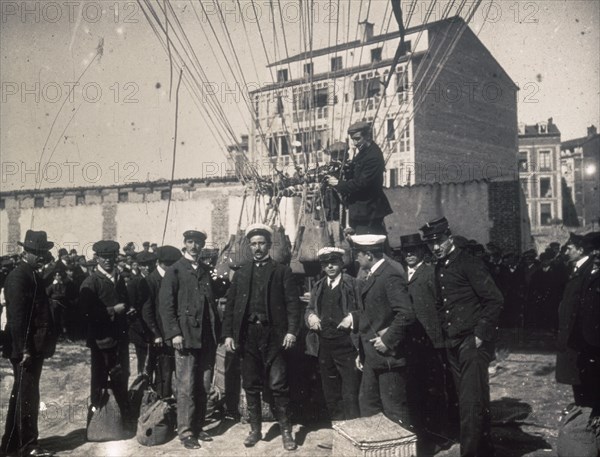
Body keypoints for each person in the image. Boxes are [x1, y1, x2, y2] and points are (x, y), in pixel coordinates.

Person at [419, 217, 503, 457]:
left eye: (439, 241)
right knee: (471, 401)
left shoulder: (469, 263)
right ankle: (484, 450)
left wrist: (480, 333)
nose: (435, 247)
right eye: (430, 244)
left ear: (449, 237)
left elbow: (495, 299)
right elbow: (441, 303)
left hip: (472, 342)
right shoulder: (439, 266)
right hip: (453, 342)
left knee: (470, 403)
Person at [223, 223, 301, 451]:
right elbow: (230, 307)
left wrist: (291, 331)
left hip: (274, 336)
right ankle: (255, 430)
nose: (257, 248)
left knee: (278, 384)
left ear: (269, 245)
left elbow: (293, 305)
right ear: (249, 246)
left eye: (261, 243)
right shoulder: (241, 272)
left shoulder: (281, 271)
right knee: (251, 384)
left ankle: (286, 432)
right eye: (254, 244)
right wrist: (228, 334)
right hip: (248, 336)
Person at [342, 234, 416, 428]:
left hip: (388, 355)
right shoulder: (373, 275)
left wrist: (388, 340)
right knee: (368, 404)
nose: (356, 258)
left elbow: (406, 313)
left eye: (358, 254)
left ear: (368, 255)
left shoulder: (389, 275)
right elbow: (370, 313)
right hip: (371, 355)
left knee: (394, 409)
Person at [159, 230, 221, 450]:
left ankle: (198, 425)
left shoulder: (205, 270)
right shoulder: (175, 271)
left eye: (198, 243)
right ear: (184, 244)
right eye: (190, 242)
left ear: (203, 245)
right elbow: (166, 305)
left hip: (206, 336)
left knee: (203, 384)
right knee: (186, 385)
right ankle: (185, 432)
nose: (194, 246)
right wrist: (174, 333)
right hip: (185, 337)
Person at [1, 230, 58, 457]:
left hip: (32, 346)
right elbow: (17, 318)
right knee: (27, 397)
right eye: (39, 253)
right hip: (25, 348)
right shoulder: (18, 277)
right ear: (27, 252)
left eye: (44, 253)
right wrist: (23, 348)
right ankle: (28, 447)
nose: (43, 257)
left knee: (22, 394)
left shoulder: (30, 274)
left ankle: (11, 444)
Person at [400, 233, 451, 453]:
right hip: (408, 343)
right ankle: (419, 435)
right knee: (413, 391)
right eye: (406, 251)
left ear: (422, 252)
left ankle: (437, 436)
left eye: (414, 251)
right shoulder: (400, 275)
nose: (410, 255)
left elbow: (441, 306)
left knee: (433, 391)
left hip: (431, 342)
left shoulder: (431, 272)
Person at [305, 247, 361, 421]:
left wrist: (351, 318)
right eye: (326, 264)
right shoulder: (319, 285)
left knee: (350, 391)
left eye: (333, 263)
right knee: (331, 391)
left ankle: (352, 434)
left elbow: (364, 309)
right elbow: (309, 309)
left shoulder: (353, 284)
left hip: (346, 345)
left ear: (341, 263)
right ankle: (338, 432)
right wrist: (311, 317)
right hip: (324, 345)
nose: (330, 267)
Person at [79, 240, 131, 425]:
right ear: (97, 258)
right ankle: (96, 421)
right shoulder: (91, 282)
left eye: (111, 258)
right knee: (99, 380)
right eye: (104, 258)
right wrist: (112, 311)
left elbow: (124, 300)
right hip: (101, 340)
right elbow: (85, 313)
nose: (108, 261)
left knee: (122, 376)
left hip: (120, 338)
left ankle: (121, 418)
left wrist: (127, 310)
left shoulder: (117, 278)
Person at [326, 121, 392, 235]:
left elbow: (361, 183)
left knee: (368, 244)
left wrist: (338, 184)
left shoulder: (373, 156)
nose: (355, 143)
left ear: (367, 136)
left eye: (357, 139)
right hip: (363, 210)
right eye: (352, 139)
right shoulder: (364, 152)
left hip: (369, 210)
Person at [556, 232, 597, 409]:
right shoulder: (577, 269)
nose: (566, 251)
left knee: (589, 386)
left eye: (570, 248)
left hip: (587, 339)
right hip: (576, 337)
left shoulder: (589, 270)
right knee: (580, 383)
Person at [141, 245, 182, 398]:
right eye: (168, 263)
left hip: (175, 332)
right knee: (162, 372)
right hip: (160, 336)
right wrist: (155, 334)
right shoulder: (151, 281)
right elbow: (147, 310)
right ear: (159, 262)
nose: (171, 266)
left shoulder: (175, 277)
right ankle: (162, 406)